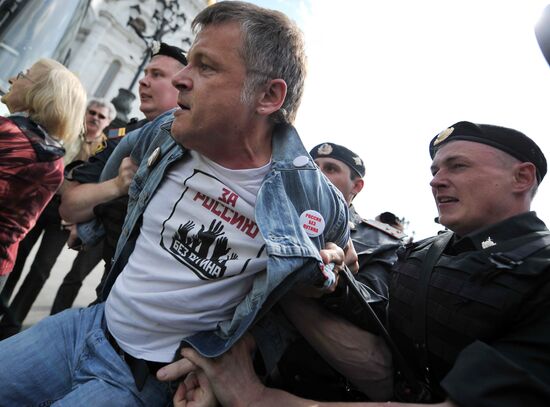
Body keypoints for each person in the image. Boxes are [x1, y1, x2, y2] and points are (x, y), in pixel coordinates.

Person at [0, 2, 350, 406]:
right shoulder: (165, 132)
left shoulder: (312, 201)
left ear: (269, 95)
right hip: (85, 326)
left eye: (205, 66)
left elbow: (336, 267)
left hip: (143, 380)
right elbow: (117, 159)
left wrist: (327, 278)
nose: (181, 78)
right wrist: (93, 222)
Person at [164, 120, 550, 407]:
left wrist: (254, 397)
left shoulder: (542, 269)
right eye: (435, 170)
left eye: (458, 167)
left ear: (522, 177)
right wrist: (328, 282)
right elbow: (387, 322)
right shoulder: (430, 250)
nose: (436, 181)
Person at [54, 42, 187, 311]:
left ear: (183, 85)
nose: (143, 81)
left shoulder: (197, 147)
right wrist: (117, 184)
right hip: (111, 275)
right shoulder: (120, 138)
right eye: (146, 73)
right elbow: (71, 205)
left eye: (157, 75)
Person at [273, 143, 406, 401]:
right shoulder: (275, 218)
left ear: (356, 187)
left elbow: (378, 310)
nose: (318, 174)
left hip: (331, 389)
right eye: (313, 167)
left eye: (331, 169)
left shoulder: (382, 242)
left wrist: (336, 281)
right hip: (261, 374)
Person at [0, 98, 114, 338]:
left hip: (63, 218)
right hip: (42, 205)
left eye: (100, 116)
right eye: (91, 112)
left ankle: (13, 322)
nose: (94, 118)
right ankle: (3, 306)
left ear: (108, 122)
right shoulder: (69, 135)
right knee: (17, 259)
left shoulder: (106, 149)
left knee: (41, 269)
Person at [0, 58, 86, 291]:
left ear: (40, 93)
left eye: (22, 75)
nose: (11, 79)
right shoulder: (53, 157)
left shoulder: (8, 134)